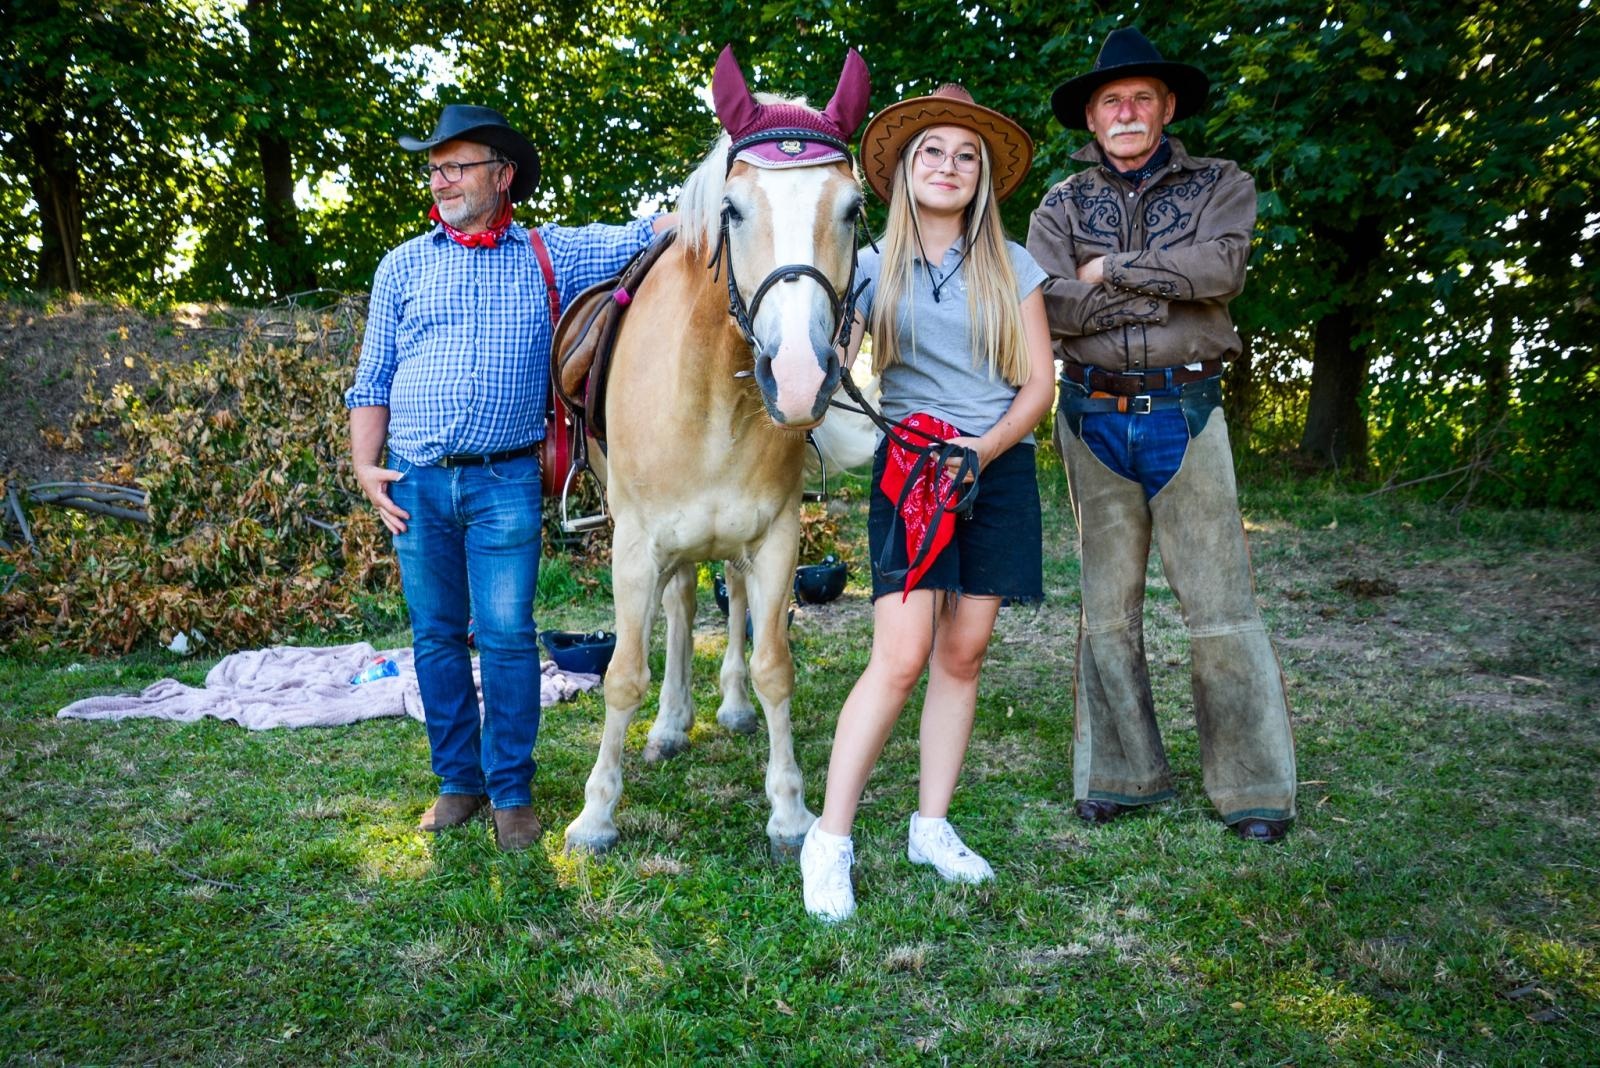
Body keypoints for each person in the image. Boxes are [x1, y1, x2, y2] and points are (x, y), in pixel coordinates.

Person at [346, 105, 673, 851]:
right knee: (434, 639)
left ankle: (512, 792)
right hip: (418, 484)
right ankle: (457, 782)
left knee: (505, 638)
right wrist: (367, 468)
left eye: (457, 166)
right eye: (434, 168)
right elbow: (374, 377)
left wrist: (725, 196)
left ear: (502, 175)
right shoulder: (402, 264)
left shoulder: (547, 253)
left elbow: (647, 233)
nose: (442, 180)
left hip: (504, 484)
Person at [1026, 27, 1297, 843]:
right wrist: (1159, 288)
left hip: (1188, 409)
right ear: (1091, 118)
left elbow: (1222, 271)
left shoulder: (1223, 182)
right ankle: (1122, 774)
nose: (1128, 111)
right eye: (1113, 100)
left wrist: (1106, 272)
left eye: (1143, 97)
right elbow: (1043, 301)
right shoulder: (1060, 205)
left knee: (1220, 605)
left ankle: (1253, 789)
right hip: (1090, 413)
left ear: (1168, 107)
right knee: (1107, 607)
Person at [800, 86, 1055, 921]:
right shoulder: (871, 267)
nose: (949, 166)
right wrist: (822, 354)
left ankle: (930, 825)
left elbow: (1039, 385)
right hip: (911, 470)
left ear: (981, 177)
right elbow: (828, 359)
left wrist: (979, 453)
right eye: (932, 152)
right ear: (906, 170)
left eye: (966, 155)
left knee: (966, 650)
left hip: (995, 465)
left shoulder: (1013, 266)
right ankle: (829, 839)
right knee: (902, 653)